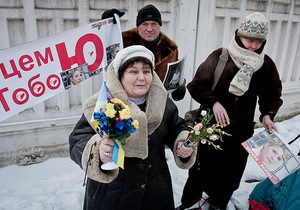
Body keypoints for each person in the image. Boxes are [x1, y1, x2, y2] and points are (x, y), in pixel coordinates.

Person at [69, 45, 197, 210]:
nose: (142, 78)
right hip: (112, 195)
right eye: (133, 72)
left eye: (146, 71)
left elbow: (177, 127)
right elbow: (77, 139)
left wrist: (182, 143)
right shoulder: (103, 104)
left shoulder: (162, 102)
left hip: (156, 192)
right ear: (120, 76)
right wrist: (98, 150)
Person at [177, 12, 283, 210]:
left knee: (231, 173)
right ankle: (189, 203)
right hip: (211, 129)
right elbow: (196, 86)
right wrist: (214, 102)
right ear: (239, 35)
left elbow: (272, 93)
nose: (253, 46)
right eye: (249, 40)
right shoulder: (221, 56)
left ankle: (218, 203)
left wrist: (267, 114)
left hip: (240, 131)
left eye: (259, 42)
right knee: (200, 171)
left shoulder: (265, 65)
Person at [101, 4, 186, 101]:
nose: (149, 29)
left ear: (159, 26)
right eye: (145, 24)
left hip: (158, 103)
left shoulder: (171, 49)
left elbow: (175, 73)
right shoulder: (122, 41)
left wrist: (180, 86)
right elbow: (103, 49)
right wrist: (107, 24)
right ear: (138, 26)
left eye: (154, 24)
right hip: (126, 102)